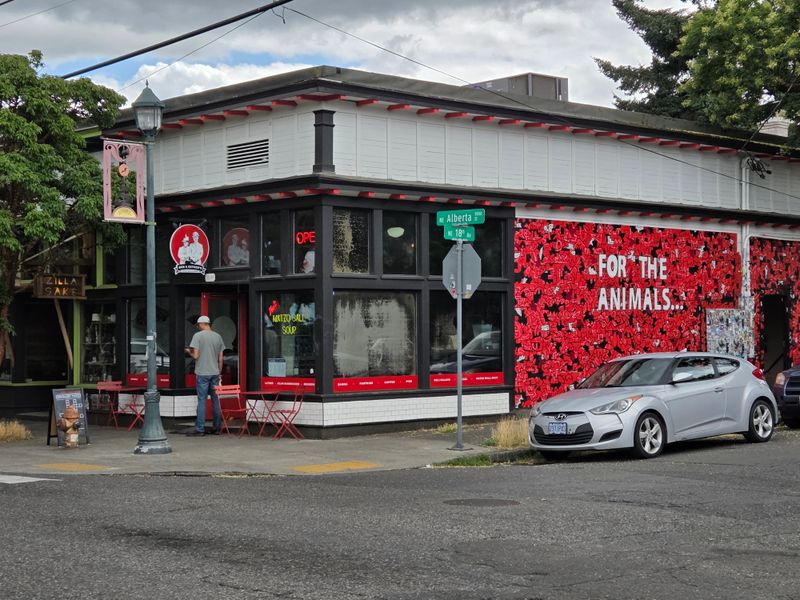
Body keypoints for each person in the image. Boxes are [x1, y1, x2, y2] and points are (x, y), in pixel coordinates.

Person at [184, 315, 225, 436]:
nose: (198, 327)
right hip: (215, 373)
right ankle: (217, 428)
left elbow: (196, 356)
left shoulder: (198, 336)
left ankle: (200, 429)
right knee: (215, 400)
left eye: (198, 325)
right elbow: (221, 357)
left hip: (202, 373)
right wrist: (219, 371)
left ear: (202, 324)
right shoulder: (218, 336)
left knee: (202, 400)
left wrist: (188, 351)